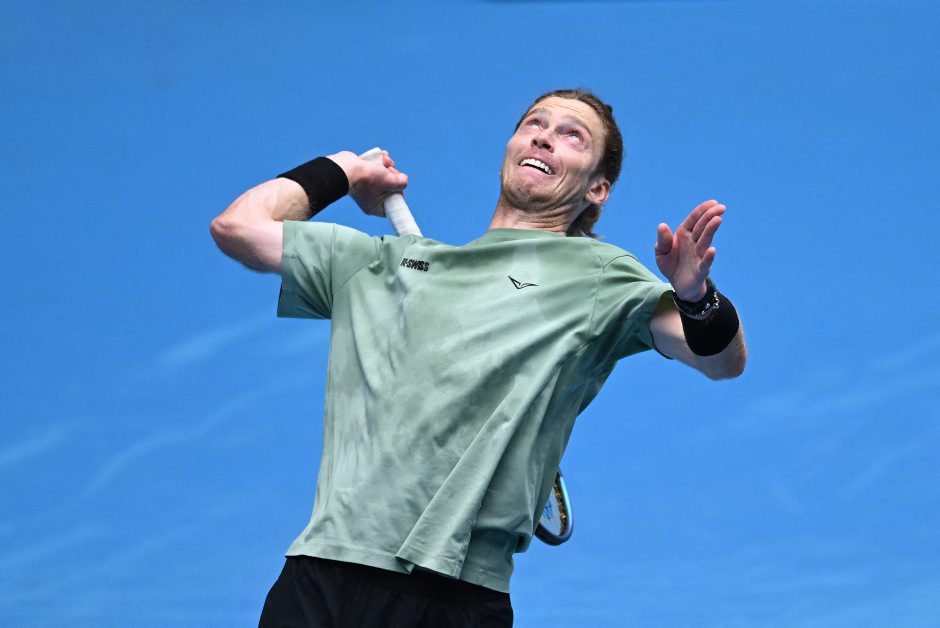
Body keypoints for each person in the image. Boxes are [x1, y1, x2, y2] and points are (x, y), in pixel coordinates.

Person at [211, 88, 747, 627]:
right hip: (321, 577)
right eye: (534, 123)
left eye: (572, 135)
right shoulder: (381, 264)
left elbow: (721, 361)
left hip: (454, 598)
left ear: (597, 188)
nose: (544, 137)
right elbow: (238, 228)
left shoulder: (598, 276)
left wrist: (696, 298)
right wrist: (345, 170)